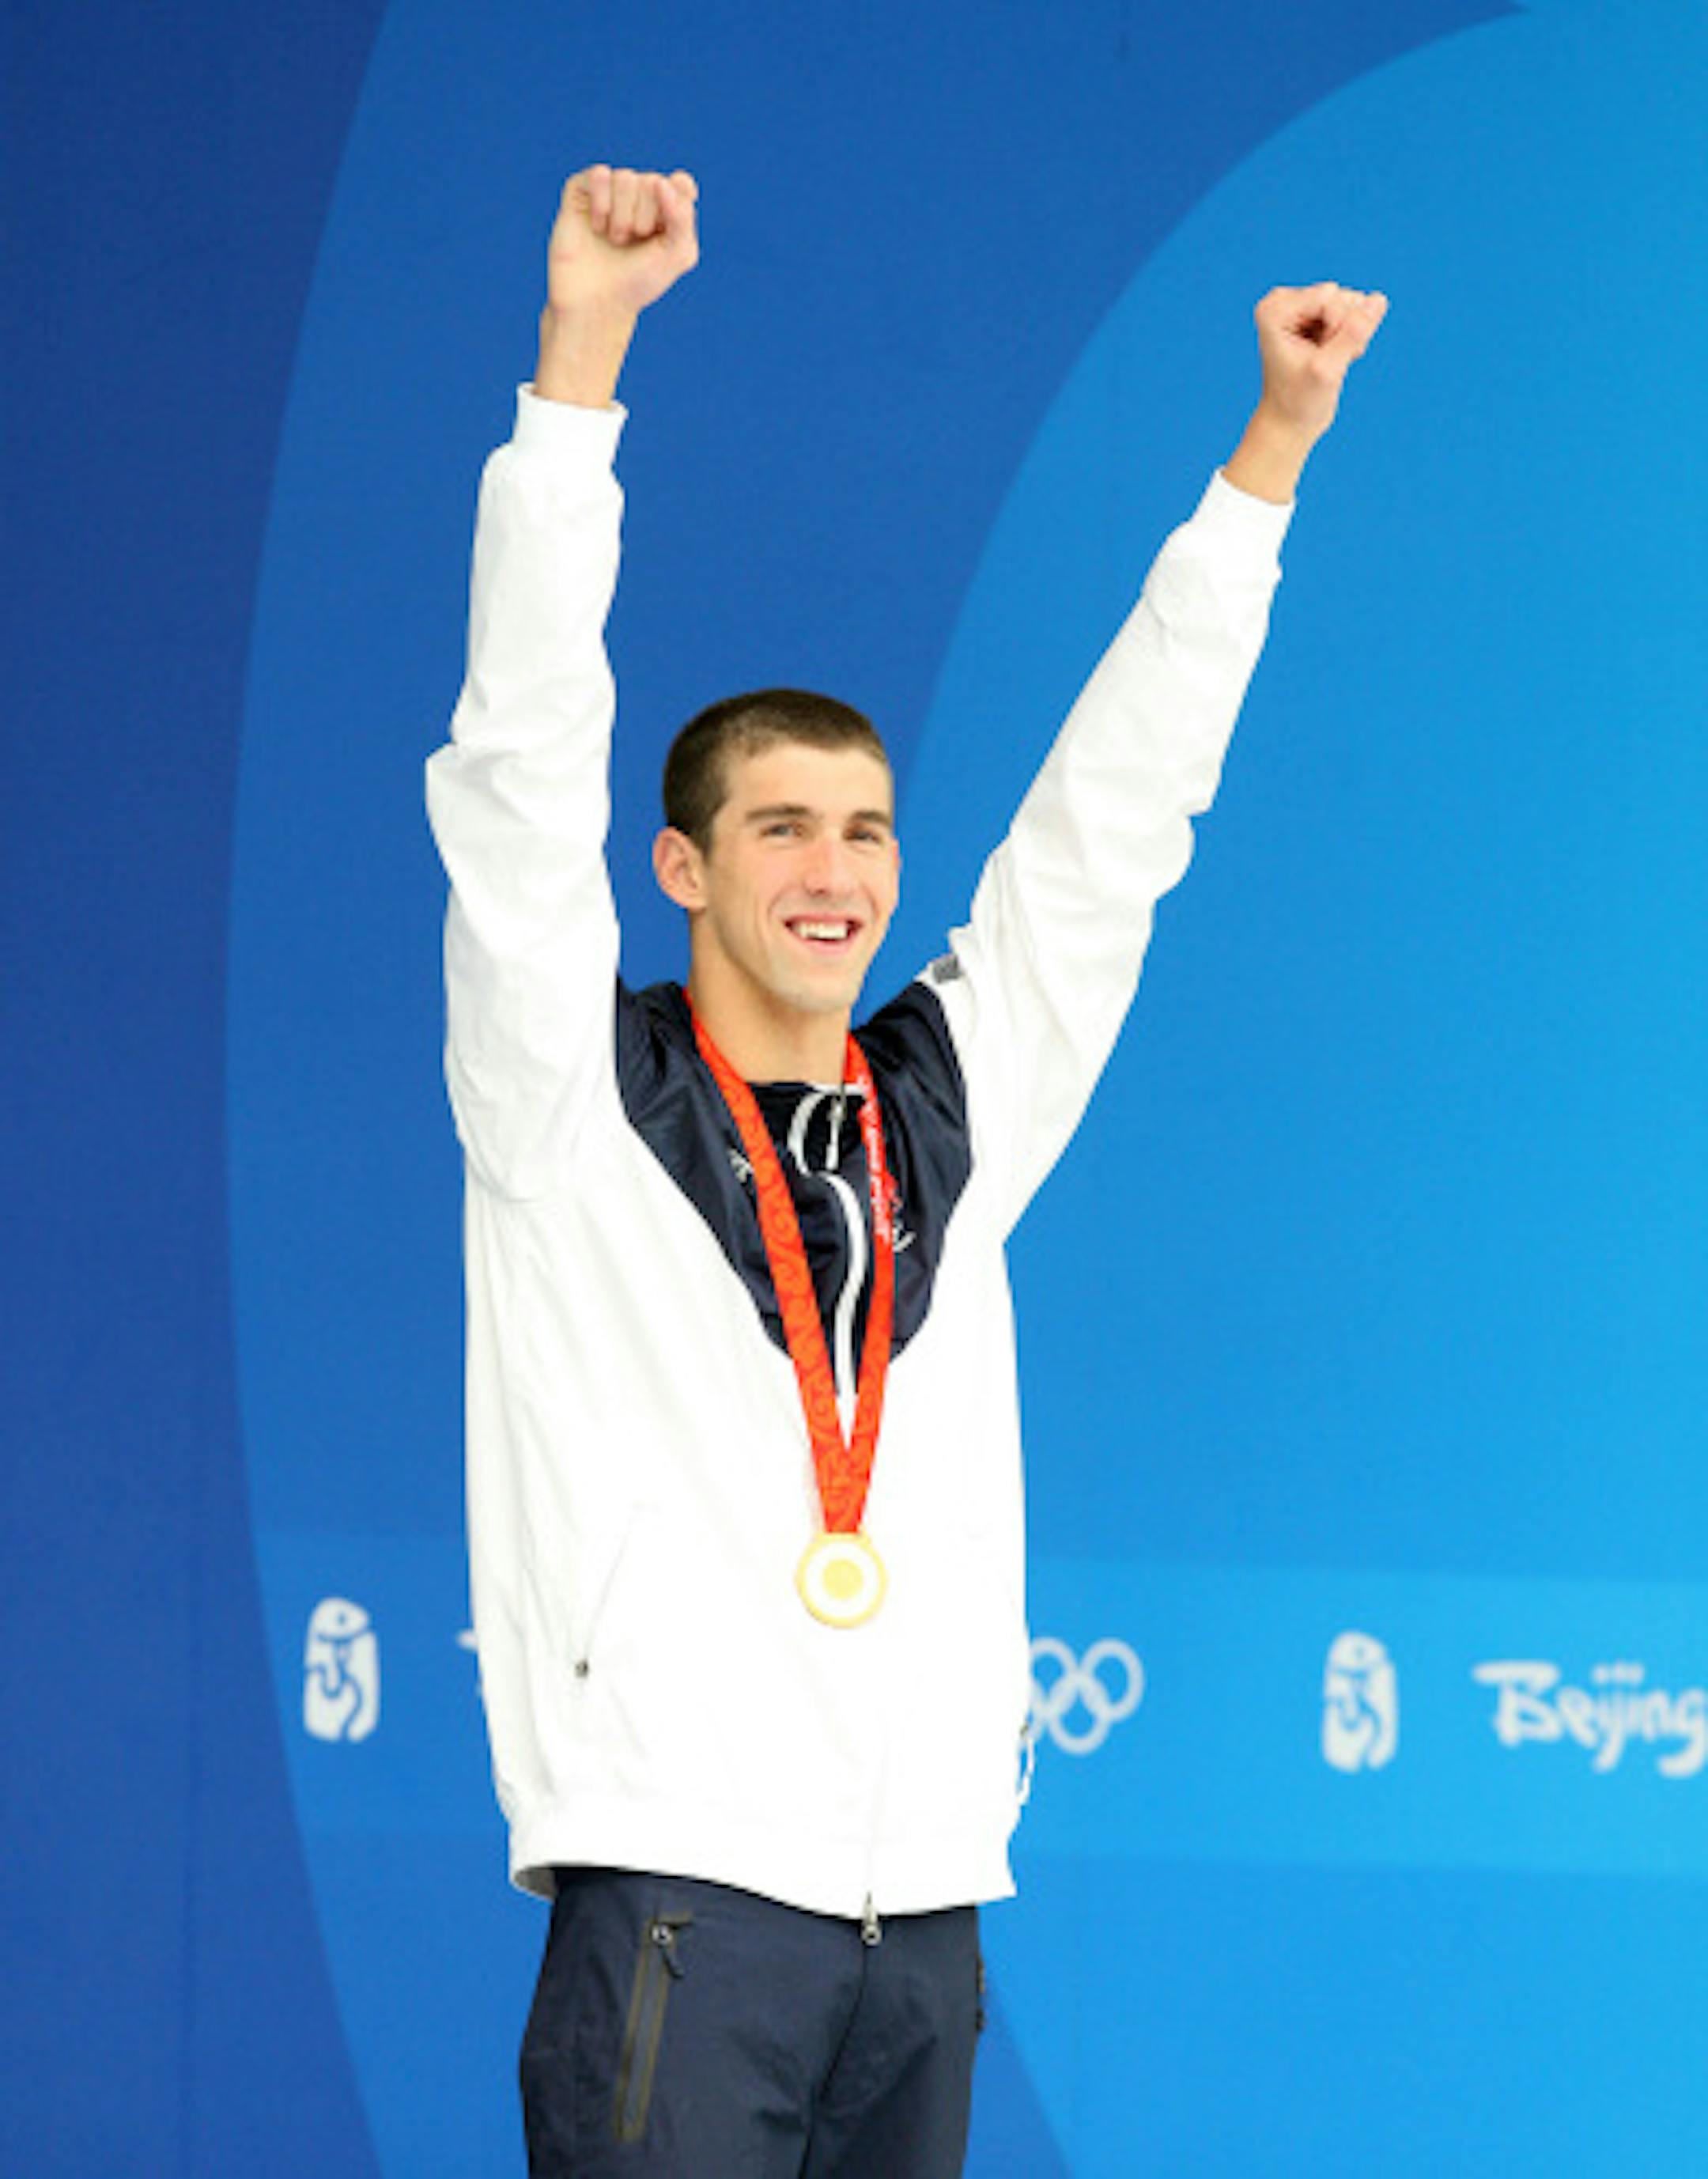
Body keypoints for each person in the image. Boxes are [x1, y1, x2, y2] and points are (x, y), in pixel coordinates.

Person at [427, 163, 1385, 2177]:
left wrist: (1265, 467)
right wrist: (578, 365)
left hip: (926, 1926)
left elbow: (1119, 822)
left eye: (863, 832)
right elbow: (519, 760)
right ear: (682, 868)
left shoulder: (951, 1094)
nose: (833, 872)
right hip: (682, 1901)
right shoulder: (561, 1095)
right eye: (778, 830)